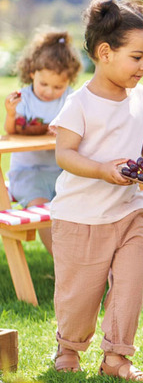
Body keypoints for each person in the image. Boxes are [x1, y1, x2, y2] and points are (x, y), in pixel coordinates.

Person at [48, 0, 143, 380]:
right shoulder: (79, 104)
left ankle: (117, 358)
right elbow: (64, 154)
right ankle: (69, 346)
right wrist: (102, 170)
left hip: (129, 210)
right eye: (137, 57)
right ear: (105, 52)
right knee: (79, 294)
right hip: (80, 216)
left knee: (132, 285)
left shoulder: (142, 99)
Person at [4, 30, 82, 254]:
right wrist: (10, 114)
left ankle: (81, 258)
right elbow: (11, 133)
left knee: (77, 209)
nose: (49, 91)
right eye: (44, 84)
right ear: (32, 73)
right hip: (28, 173)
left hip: (61, 172)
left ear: (69, 81)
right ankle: (61, 261)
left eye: (57, 87)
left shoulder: (70, 98)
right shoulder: (24, 98)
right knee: (43, 211)